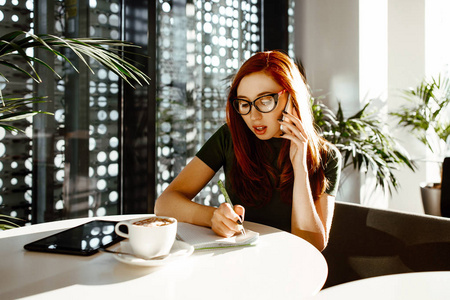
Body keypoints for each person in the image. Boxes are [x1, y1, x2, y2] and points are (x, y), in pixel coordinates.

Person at [155, 50, 341, 251]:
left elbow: (312, 245)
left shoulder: (327, 157)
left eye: (265, 101)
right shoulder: (231, 136)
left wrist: (300, 167)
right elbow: (164, 204)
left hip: (292, 264)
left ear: (290, 97)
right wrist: (212, 217)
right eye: (244, 103)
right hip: (239, 260)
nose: (253, 116)